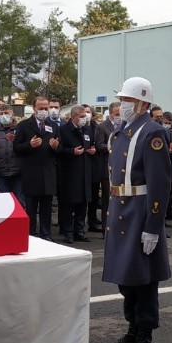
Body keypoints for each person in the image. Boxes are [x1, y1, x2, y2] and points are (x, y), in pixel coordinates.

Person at [101, 77, 171, 343]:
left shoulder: (152, 133)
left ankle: (145, 335)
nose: (123, 105)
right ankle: (132, 330)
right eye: (121, 100)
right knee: (126, 278)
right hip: (119, 209)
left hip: (140, 211)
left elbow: (160, 183)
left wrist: (152, 226)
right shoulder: (122, 131)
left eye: (128, 100)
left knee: (143, 279)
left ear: (142, 103)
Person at [13, 96, 60, 240]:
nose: (44, 111)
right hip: (31, 172)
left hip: (48, 172)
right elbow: (16, 148)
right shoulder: (24, 125)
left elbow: (60, 148)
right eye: (41, 108)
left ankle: (46, 234)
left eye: (46, 108)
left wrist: (56, 147)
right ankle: (31, 234)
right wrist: (29, 145)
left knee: (46, 206)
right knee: (31, 206)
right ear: (34, 109)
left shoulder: (53, 126)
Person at [58, 104, 96, 243]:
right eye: (81, 117)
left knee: (82, 204)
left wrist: (93, 150)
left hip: (85, 171)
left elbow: (91, 144)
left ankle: (79, 231)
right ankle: (68, 232)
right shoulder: (63, 130)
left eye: (85, 117)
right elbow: (58, 150)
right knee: (69, 204)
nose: (84, 119)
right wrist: (71, 152)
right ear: (74, 117)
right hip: (70, 172)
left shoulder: (87, 129)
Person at [0, 104, 24, 201]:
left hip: (18, 173)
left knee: (20, 202)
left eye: (6, 113)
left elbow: (26, 149)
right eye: (1, 114)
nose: (4, 116)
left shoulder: (20, 129)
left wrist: (16, 142)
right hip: (0, 174)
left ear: (13, 115)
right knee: (4, 202)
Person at [92, 102, 121, 234]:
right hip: (106, 168)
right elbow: (99, 146)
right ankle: (106, 228)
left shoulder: (124, 126)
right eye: (117, 114)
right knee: (107, 200)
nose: (119, 116)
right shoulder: (102, 127)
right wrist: (112, 146)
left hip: (121, 167)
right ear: (110, 114)